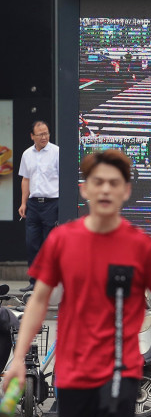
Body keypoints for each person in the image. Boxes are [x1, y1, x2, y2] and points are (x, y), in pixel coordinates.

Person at [2, 150, 151, 417]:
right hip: (73, 373)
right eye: (98, 182)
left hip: (121, 373)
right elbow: (39, 301)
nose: (105, 190)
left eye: (114, 183)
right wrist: (18, 359)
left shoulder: (142, 246)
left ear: (126, 190)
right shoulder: (62, 240)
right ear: (85, 189)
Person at [18, 121, 59, 293]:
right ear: (32, 136)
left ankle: (49, 282)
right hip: (34, 204)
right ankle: (34, 281)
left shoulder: (57, 152)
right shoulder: (27, 154)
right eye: (40, 134)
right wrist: (23, 202)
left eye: (46, 133)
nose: (44, 137)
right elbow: (25, 179)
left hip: (52, 203)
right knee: (32, 243)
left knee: (50, 245)